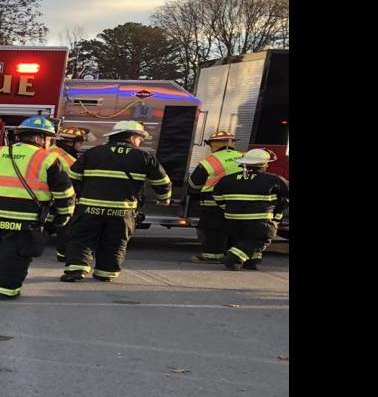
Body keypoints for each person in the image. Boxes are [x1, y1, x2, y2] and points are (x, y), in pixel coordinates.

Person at [0, 115, 75, 300]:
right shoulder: (48, 159)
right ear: (39, 138)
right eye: (50, 139)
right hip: (22, 218)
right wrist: (63, 217)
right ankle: (4, 291)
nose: (50, 144)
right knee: (14, 254)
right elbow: (64, 193)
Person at [60, 119, 171, 283]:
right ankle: (105, 272)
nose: (139, 143)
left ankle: (76, 269)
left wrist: (79, 196)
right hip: (123, 211)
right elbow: (163, 182)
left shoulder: (93, 153)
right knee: (114, 241)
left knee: (82, 238)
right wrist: (164, 199)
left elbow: (72, 177)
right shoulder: (144, 157)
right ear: (133, 138)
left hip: (90, 208)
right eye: (140, 139)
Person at [215, 148, 289, 270]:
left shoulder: (228, 179)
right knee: (261, 239)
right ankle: (232, 257)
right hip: (259, 219)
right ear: (264, 164)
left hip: (232, 219)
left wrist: (227, 208)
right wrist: (280, 206)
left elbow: (217, 195)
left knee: (244, 240)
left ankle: (250, 262)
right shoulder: (273, 179)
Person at [185, 129, 243, 264]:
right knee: (234, 229)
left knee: (212, 229)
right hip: (239, 202)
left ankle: (212, 256)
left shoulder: (211, 160)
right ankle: (233, 255)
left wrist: (194, 192)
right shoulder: (243, 157)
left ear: (215, 144)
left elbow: (194, 183)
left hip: (213, 202)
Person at [51, 126, 90, 262]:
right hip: (61, 196)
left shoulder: (52, 151)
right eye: (80, 142)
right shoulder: (67, 159)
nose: (81, 145)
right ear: (69, 142)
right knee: (67, 224)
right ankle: (63, 253)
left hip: (47, 195)